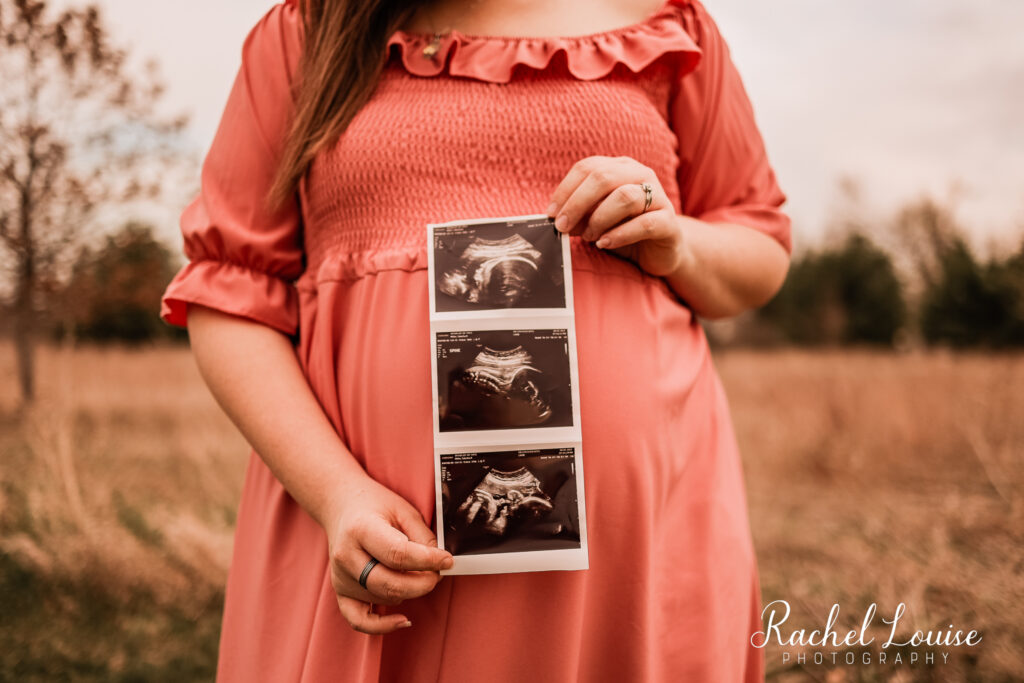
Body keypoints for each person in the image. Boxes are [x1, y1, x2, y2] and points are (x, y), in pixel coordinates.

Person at [159, 0, 791, 679]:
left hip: (632, 548)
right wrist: (338, 496)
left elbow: (761, 254)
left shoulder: (673, 26)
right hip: (377, 546)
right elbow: (229, 293)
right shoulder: (308, 29)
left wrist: (676, 241)